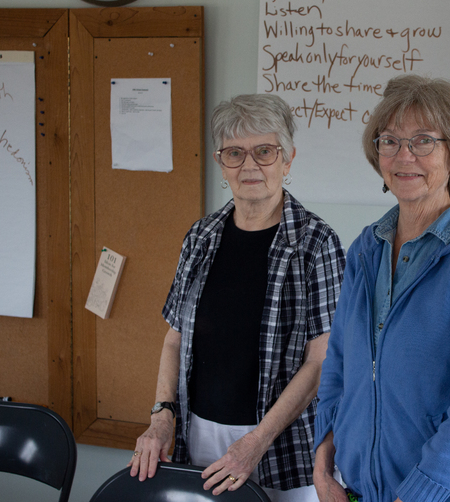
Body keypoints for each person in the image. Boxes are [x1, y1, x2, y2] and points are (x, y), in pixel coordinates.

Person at [129, 93, 346, 502]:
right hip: (201, 440)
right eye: (235, 153)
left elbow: (321, 362)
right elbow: (174, 338)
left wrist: (257, 440)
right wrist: (162, 415)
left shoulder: (318, 243)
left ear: (288, 159)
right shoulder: (201, 236)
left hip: (281, 449)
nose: (250, 165)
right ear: (220, 163)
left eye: (264, 151)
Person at [313, 75, 450, 502]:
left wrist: (417, 495)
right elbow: (339, 360)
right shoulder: (366, 249)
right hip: (361, 490)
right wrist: (323, 449)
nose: (404, 156)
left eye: (423, 141)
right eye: (389, 140)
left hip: (444, 495)